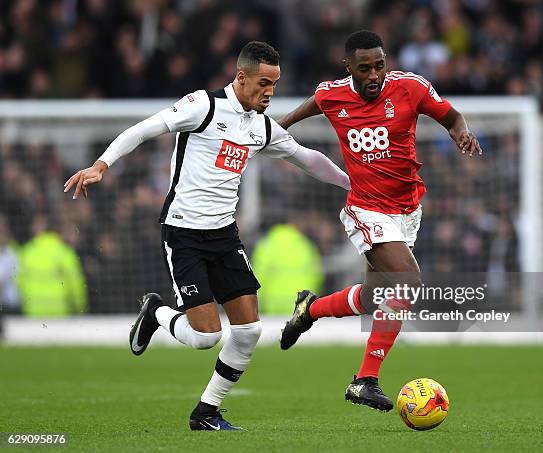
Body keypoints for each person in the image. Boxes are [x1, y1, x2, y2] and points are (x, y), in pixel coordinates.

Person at [64, 41, 350, 431]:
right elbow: (145, 129)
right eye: (264, 83)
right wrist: (101, 165)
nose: (270, 92)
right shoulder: (204, 106)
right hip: (183, 233)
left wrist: (354, 185)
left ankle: (206, 412)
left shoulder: (262, 127)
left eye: (275, 84)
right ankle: (157, 313)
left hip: (224, 236)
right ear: (241, 77)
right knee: (205, 337)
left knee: (249, 330)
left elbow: (306, 158)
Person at [278, 30, 482, 411]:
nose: (374, 75)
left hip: (407, 210)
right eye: (365, 68)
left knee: (376, 298)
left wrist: (462, 133)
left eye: (379, 66)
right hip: (366, 208)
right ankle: (365, 381)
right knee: (407, 282)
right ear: (349, 68)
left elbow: (451, 117)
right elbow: (299, 113)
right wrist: (275, 130)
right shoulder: (331, 94)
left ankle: (310, 309)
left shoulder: (410, 87)